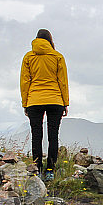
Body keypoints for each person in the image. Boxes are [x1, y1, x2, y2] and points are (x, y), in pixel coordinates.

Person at [20, 28, 69, 181]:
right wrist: (65, 102)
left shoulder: (28, 57)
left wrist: (25, 103)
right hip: (55, 100)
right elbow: (63, 81)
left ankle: (37, 169)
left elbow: (24, 82)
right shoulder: (57, 56)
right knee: (53, 135)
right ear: (50, 40)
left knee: (36, 135)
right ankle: (50, 170)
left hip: (34, 100)